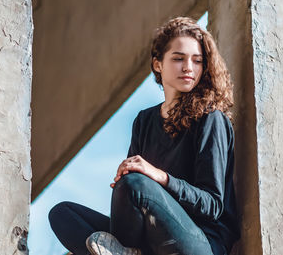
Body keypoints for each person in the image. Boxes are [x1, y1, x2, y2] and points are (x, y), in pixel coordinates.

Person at [48, 16, 240, 255]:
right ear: (158, 64)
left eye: (197, 61)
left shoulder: (211, 120)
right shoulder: (144, 121)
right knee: (63, 214)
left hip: (201, 244)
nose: (189, 67)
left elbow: (212, 205)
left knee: (136, 182)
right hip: (149, 243)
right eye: (178, 58)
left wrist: (159, 177)